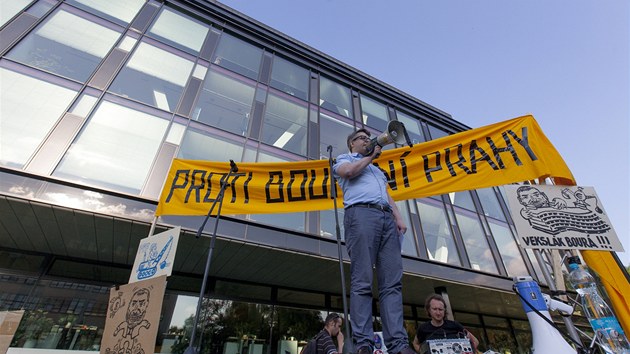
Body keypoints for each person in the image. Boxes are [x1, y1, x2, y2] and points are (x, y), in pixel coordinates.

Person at [332, 129, 414, 354]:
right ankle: (364, 343)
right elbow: (348, 172)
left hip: (386, 218)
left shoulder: (377, 171)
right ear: (351, 144)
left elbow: (387, 195)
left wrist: (398, 218)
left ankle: (398, 344)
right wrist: (370, 156)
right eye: (361, 138)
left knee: (392, 283)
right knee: (363, 280)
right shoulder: (344, 159)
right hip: (361, 215)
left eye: (368, 138)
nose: (367, 140)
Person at [412, 294, 479, 354]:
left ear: (444, 310)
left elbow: (475, 341)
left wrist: (467, 351)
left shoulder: (455, 325)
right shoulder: (423, 328)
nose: (438, 313)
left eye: (440, 309)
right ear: (429, 310)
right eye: (435, 309)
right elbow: (415, 344)